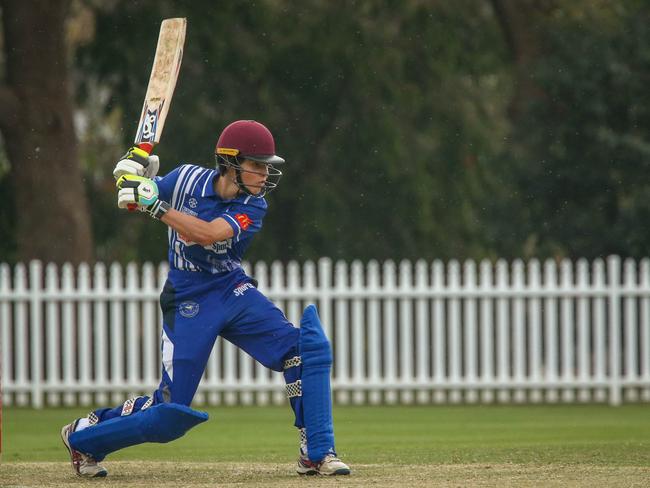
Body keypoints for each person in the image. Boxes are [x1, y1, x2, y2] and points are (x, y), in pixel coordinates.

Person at [60, 120, 350, 478]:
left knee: (301, 349)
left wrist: (153, 203)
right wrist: (131, 177)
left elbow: (209, 235)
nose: (264, 174)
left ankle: (316, 452)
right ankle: (85, 434)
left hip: (231, 288)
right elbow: (134, 200)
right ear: (230, 163)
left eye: (266, 166)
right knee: (170, 409)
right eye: (256, 165)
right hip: (187, 296)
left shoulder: (254, 205)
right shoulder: (183, 179)